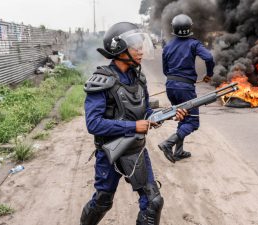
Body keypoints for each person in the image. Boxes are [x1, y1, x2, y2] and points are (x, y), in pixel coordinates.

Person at [80, 22, 188, 225]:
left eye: (141, 46)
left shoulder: (139, 78)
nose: (141, 51)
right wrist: (132, 126)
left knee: (153, 202)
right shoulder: (101, 80)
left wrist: (167, 114)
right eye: (135, 47)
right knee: (103, 201)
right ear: (119, 49)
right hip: (110, 153)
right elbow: (93, 124)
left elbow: (145, 111)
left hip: (135, 151)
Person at [158, 14, 215, 163]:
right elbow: (209, 58)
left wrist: (174, 79)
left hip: (170, 86)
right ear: (190, 28)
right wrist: (209, 74)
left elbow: (165, 70)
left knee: (182, 116)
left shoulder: (168, 45)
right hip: (185, 88)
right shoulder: (193, 44)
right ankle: (168, 143)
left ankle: (179, 151)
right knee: (192, 122)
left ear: (173, 28)